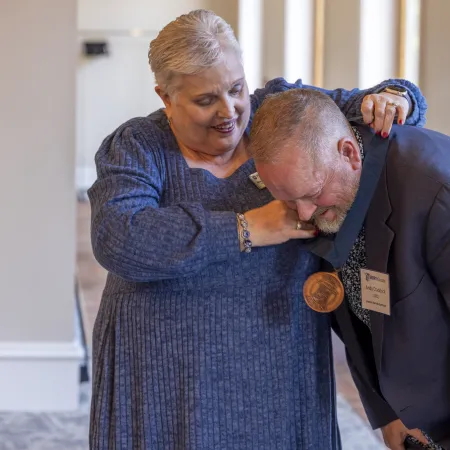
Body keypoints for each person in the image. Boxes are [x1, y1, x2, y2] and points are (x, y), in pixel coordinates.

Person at [88, 9, 428, 450]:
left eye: (236, 88)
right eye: (206, 100)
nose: (229, 111)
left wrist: (396, 98)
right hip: (163, 370)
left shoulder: (279, 110)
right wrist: (247, 228)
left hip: (279, 363)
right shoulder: (137, 146)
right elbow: (119, 238)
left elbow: (385, 107)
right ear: (165, 97)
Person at [249, 88, 450, 449]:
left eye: (312, 193)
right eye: (290, 199)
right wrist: (386, 410)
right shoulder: (329, 191)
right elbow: (359, 316)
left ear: (349, 153)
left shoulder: (436, 193)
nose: (303, 214)